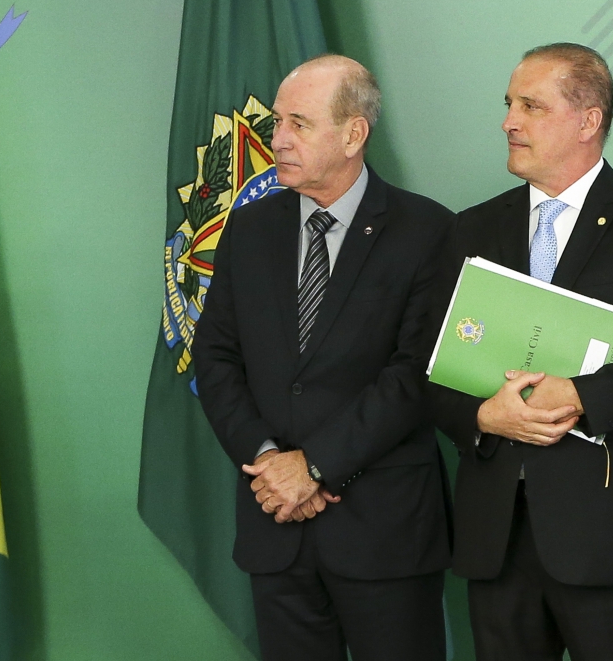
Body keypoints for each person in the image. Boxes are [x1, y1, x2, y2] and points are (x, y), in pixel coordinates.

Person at [432, 43, 613, 661]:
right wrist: (481, 415)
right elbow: (428, 370)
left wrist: (580, 394)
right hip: (497, 541)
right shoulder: (470, 228)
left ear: (588, 121)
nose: (508, 121)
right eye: (509, 104)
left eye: (531, 106)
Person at [192, 55, 453, 661]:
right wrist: (268, 461)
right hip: (276, 526)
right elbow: (216, 357)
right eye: (277, 123)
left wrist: (314, 467)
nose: (278, 139)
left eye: (299, 124)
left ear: (354, 133)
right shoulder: (249, 228)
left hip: (383, 532)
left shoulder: (427, 230)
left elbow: (416, 374)